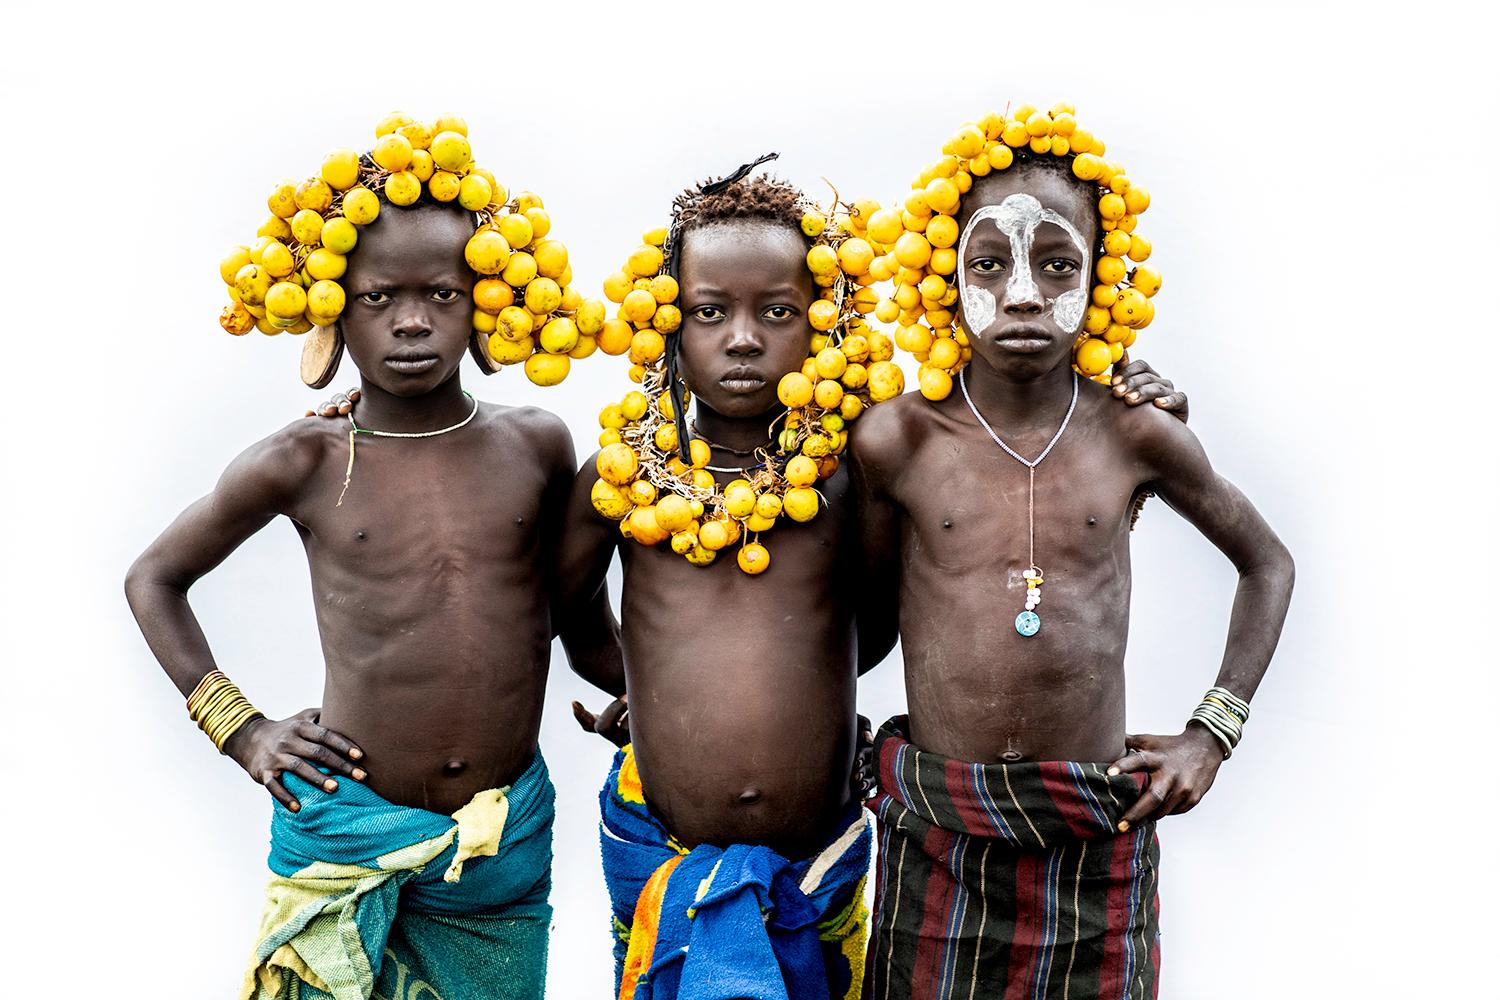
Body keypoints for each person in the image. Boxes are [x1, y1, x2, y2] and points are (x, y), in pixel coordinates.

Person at [558, 158, 1187, 999]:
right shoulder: (622, 479)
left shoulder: (851, 470)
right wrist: (657, 689)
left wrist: (1130, 404)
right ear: (668, 323)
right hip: (659, 848)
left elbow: (883, 621)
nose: (744, 339)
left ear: (823, 323)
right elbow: (567, 610)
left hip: (824, 851)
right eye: (710, 313)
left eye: (778, 313)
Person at [125, 112, 608, 1000]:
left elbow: (577, 619)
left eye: (443, 295)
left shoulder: (538, 445)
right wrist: (242, 728)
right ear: (333, 312)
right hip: (344, 832)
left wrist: (654, 700)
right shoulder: (305, 460)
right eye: (379, 298)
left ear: (486, 305)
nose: (413, 323)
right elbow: (154, 579)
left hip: (498, 853)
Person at [851, 104, 1295, 998]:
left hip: (1098, 833)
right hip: (941, 831)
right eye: (990, 263)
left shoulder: (1135, 433)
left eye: (1056, 265)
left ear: (1099, 277)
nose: (1022, 294)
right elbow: (857, 627)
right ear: (947, 273)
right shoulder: (896, 441)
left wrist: (1212, 733)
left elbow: (1267, 563)